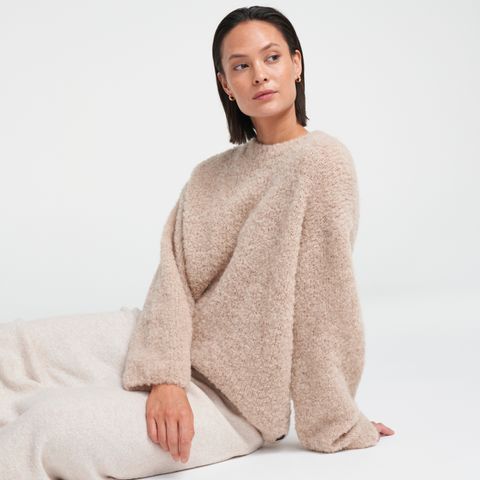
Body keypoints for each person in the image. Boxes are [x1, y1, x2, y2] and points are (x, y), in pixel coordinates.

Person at [0, 5, 394, 480]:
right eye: (241, 66)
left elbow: (323, 304)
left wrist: (336, 420)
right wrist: (165, 375)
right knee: (12, 348)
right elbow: (173, 279)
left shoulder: (322, 163)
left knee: (46, 428)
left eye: (271, 58)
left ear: (296, 64)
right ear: (226, 84)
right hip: (159, 343)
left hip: (230, 400)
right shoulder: (209, 176)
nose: (259, 74)